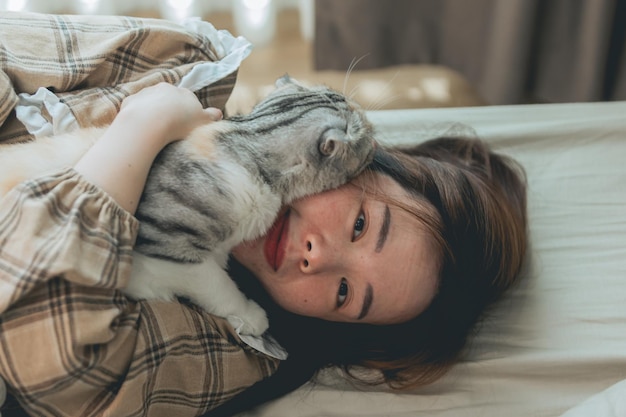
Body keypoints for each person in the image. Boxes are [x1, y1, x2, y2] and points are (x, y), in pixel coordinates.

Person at [0, 83, 527, 417]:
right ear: (360, 162)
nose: (317, 257)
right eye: (362, 224)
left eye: (345, 293)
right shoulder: (203, 86)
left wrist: (140, 131)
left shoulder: (238, 346)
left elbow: (55, 363)